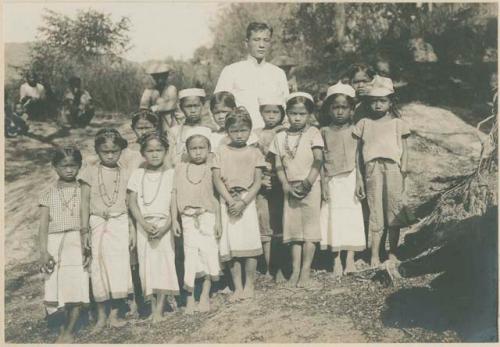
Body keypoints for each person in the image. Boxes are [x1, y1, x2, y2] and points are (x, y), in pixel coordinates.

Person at [79, 128, 134, 331]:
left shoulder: (126, 172)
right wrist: (84, 230)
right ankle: (101, 315)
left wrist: (132, 229)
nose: (110, 155)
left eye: (114, 151)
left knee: (118, 267)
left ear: (121, 150)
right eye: (105, 152)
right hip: (96, 222)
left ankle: (115, 314)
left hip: (119, 222)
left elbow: (130, 203)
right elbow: (84, 202)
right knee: (98, 268)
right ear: (97, 151)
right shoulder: (89, 172)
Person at [353, 76, 411, 266]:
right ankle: (375, 254)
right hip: (372, 169)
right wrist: (359, 178)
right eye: (373, 101)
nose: (378, 105)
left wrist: (404, 170)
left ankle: (392, 252)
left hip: (393, 170)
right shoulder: (364, 123)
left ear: (390, 102)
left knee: (393, 209)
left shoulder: (398, 124)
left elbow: (404, 149)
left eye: (382, 100)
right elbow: (357, 154)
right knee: (375, 211)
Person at [269, 92, 324, 288]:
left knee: (309, 231)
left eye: (302, 114)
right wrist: (284, 184)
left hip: (310, 186)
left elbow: (318, 160)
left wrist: (308, 182)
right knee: (294, 232)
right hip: (290, 187)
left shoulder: (313, 133)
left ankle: (305, 272)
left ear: (309, 114)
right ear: (287, 114)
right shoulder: (280, 136)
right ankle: (294, 270)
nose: (297, 118)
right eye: (293, 113)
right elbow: (278, 165)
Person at [212, 107, 265, 301]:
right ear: (227, 131)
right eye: (234, 131)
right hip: (227, 201)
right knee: (231, 245)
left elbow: (258, 182)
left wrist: (243, 202)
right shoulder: (220, 151)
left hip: (246, 202)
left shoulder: (255, 152)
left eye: (243, 130)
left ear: (250, 130)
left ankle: (249, 285)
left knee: (249, 242)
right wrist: (229, 200)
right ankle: (237, 287)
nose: (239, 134)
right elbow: (217, 179)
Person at [38, 147, 90, 343]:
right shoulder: (48, 193)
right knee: (53, 283)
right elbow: (43, 226)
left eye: (73, 165)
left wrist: (87, 244)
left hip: (76, 240)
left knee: (76, 281)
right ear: (55, 167)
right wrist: (43, 251)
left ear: (79, 166)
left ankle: (70, 329)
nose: (69, 170)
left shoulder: (84, 189)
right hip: (54, 241)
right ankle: (59, 324)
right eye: (63, 166)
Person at [127, 132, 179, 322]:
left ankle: (161, 307)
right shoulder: (138, 173)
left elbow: (174, 204)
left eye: (159, 150)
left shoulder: (171, 174)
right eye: (150, 151)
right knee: (147, 265)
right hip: (144, 226)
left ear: (166, 151)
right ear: (143, 153)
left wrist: (166, 227)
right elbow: (132, 202)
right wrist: (143, 224)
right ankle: (153, 306)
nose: (155, 154)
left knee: (164, 263)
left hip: (164, 225)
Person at [319, 82, 366, 277]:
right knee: (334, 218)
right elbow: (320, 160)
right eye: (335, 107)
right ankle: (336, 258)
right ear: (329, 109)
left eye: (344, 107)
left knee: (351, 217)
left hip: (351, 178)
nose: (339, 112)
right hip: (332, 180)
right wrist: (323, 184)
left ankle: (350, 259)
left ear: (351, 109)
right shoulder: (323, 132)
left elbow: (358, 158)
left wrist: (360, 180)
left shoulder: (355, 130)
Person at [172, 134, 222, 314]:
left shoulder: (212, 168)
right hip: (186, 217)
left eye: (202, 148)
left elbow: (216, 197)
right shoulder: (180, 168)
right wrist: (174, 220)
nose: (198, 152)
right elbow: (174, 194)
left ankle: (205, 296)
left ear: (209, 150)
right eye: (194, 148)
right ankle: (190, 297)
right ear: (187, 150)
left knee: (208, 255)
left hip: (207, 216)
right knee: (191, 257)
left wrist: (219, 223)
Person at [214, 22, 289, 130]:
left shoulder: (278, 73)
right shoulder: (231, 71)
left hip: (273, 137)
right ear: (246, 43)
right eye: (256, 40)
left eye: (266, 40)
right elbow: (217, 107)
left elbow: (285, 109)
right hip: (242, 138)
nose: (261, 45)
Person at [254, 95, 287, 282]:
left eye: (276, 112)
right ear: (261, 113)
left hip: (280, 181)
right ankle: (268, 267)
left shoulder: (285, 131)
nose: (271, 116)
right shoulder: (256, 134)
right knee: (265, 225)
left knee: (280, 225)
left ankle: (282, 267)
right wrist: (261, 179)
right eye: (267, 112)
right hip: (263, 182)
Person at [169, 88, 213, 164]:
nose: (193, 110)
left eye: (196, 106)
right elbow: (170, 158)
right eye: (188, 106)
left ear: (203, 105)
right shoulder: (174, 132)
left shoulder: (210, 130)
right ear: (181, 107)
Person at [140, 62, 178, 129]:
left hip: (169, 120)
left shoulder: (171, 89)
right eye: (156, 77)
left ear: (166, 76)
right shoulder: (150, 91)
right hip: (155, 121)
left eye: (162, 77)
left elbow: (172, 105)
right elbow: (143, 108)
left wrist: (155, 108)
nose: (159, 80)